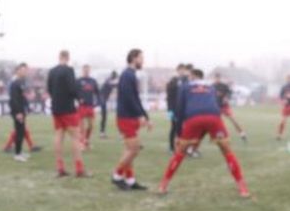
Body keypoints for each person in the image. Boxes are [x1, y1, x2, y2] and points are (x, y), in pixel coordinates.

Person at [158, 69, 250, 198]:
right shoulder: (211, 87)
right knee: (227, 152)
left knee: (180, 152)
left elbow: (179, 110)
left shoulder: (185, 87)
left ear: (194, 76)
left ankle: (163, 186)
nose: (188, 78)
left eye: (190, 76)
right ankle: (243, 189)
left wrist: (179, 134)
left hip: (194, 118)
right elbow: (212, 104)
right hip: (213, 117)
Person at [112, 48, 152, 190]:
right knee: (134, 150)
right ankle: (116, 176)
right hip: (126, 118)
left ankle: (130, 180)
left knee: (130, 150)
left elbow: (135, 98)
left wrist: (145, 116)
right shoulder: (127, 75)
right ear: (134, 58)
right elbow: (130, 99)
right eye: (141, 57)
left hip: (129, 117)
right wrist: (141, 115)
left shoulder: (131, 74)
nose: (143, 60)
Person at [46, 50, 88, 178]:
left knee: (58, 136)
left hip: (56, 107)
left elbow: (49, 89)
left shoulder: (52, 71)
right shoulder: (69, 70)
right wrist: (79, 97)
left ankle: (60, 167)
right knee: (75, 137)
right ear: (68, 58)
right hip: (68, 108)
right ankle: (79, 169)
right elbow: (72, 88)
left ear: (59, 57)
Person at [7, 63, 32, 162]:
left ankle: (20, 152)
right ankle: (17, 154)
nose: (25, 72)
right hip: (18, 111)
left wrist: (27, 107)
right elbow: (14, 99)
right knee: (19, 132)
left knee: (21, 131)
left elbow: (22, 97)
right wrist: (18, 112)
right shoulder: (15, 83)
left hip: (22, 110)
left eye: (26, 70)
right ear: (18, 71)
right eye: (23, 70)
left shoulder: (21, 82)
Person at [213, 72, 247, 142]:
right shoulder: (212, 86)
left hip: (224, 106)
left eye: (218, 78)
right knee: (216, 122)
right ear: (214, 78)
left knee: (233, 119)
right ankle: (218, 135)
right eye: (216, 78)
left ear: (220, 78)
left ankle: (242, 133)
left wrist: (226, 97)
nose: (217, 79)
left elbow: (230, 93)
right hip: (216, 107)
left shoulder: (224, 86)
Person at [165, 63, 191, 152]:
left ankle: (183, 146)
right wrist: (169, 110)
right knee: (174, 127)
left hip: (183, 109)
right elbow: (169, 95)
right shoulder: (173, 81)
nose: (182, 71)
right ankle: (172, 147)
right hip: (172, 109)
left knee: (184, 127)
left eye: (183, 70)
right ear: (177, 70)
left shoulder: (186, 81)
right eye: (180, 69)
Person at [76, 64, 101, 150]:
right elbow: (74, 92)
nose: (86, 71)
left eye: (88, 70)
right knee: (81, 127)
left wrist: (98, 102)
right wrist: (79, 98)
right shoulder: (78, 81)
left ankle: (86, 140)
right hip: (82, 106)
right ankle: (81, 143)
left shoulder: (93, 81)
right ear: (82, 70)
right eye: (85, 70)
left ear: (90, 70)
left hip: (90, 106)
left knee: (91, 126)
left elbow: (97, 93)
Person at [98, 70, 118, 139]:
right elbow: (112, 85)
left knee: (104, 116)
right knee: (104, 116)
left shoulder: (110, 80)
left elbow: (114, 86)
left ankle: (102, 132)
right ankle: (102, 133)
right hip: (101, 98)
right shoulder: (108, 80)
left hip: (103, 99)